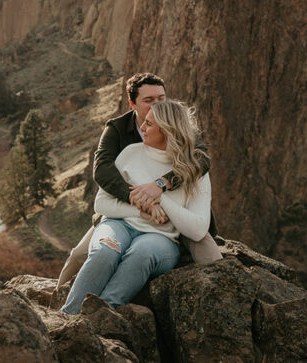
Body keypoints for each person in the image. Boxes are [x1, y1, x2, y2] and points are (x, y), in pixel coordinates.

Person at [56, 73, 219, 292]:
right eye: (149, 100)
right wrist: (136, 198)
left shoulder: (180, 127)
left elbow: (201, 159)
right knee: (79, 255)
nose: (158, 104)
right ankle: (57, 298)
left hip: (174, 213)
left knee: (213, 259)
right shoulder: (117, 129)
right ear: (133, 104)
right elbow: (103, 170)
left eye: (161, 98)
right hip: (129, 213)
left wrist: (162, 184)